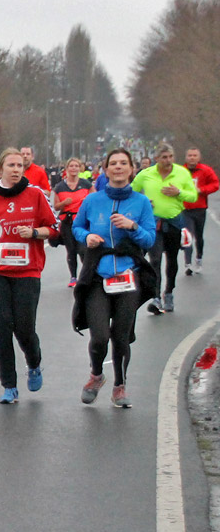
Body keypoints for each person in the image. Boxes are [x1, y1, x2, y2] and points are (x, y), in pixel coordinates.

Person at [0, 147, 58, 403]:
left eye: (20, 166)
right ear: (0, 169)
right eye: (11, 166)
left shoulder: (36, 195)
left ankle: (34, 362)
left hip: (27, 271)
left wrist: (36, 233)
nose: (16, 170)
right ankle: (9, 385)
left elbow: (54, 228)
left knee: (24, 328)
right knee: (3, 327)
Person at [71, 148, 156, 409]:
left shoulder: (141, 203)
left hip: (128, 277)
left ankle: (120, 386)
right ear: (105, 170)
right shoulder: (92, 200)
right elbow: (77, 227)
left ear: (131, 170)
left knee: (121, 336)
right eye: (113, 164)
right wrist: (87, 237)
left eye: (123, 164)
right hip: (98, 276)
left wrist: (132, 227)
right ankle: (96, 375)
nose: (118, 167)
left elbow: (149, 239)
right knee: (99, 337)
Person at [132, 143, 197, 314]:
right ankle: (155, 297)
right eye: (164, 158)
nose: (168, 161)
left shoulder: (181, 173)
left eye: (170, 157)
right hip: (153, 223)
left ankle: (169, 292)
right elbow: (132, 193)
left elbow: (193, 196)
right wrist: (143, 202)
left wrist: (178, 193)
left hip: (174, 222)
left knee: (172, 260)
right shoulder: (146, 174)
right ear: (156, 159)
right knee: (155, 260)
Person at [51, 157, 93, 287]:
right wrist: (64, 203)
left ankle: (86, 275)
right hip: (67, 222)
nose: (74, 168)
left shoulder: (86, 184)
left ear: (80, 168)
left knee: (83, 249)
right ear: (67, 169)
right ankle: (73, 277)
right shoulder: (60, 187)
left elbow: (95, 201)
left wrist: (87, 203)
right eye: (71, 166)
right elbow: (56, 207)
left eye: (76, 166)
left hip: (82, 221)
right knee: (71, 250)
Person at [183, 148, 219, 275]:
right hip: (185, 210)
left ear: (199, 157)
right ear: (186, 157)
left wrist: (201, 190)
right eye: (190, 155)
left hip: (200, 208)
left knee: (199, 236)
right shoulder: (180, 171)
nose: (192, 157)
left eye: (194, 155)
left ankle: (198, 258)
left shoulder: (206, 170)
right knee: (188, 236)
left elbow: (215, 184)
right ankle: (188, 263)